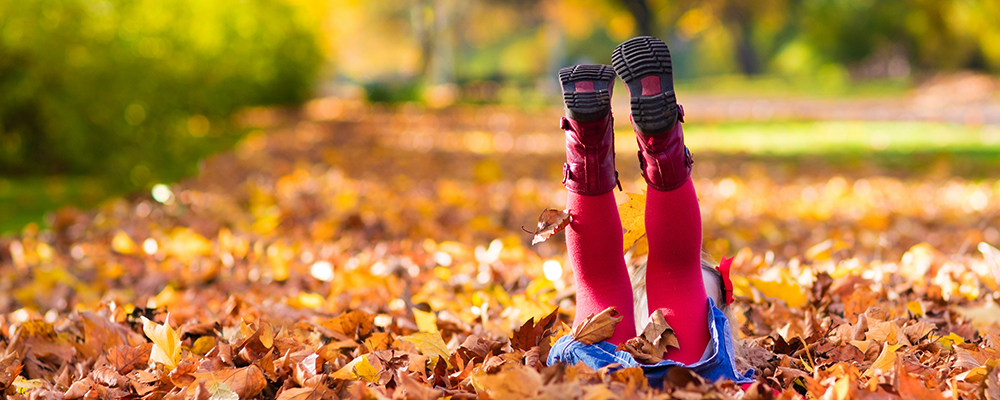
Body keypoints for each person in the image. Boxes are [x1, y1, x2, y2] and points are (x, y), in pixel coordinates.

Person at [545, 36, 756, 387]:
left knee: (602, 284)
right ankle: (627, 145)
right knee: (676, 274)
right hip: (684, 374)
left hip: (606, 372)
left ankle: (595, 143)